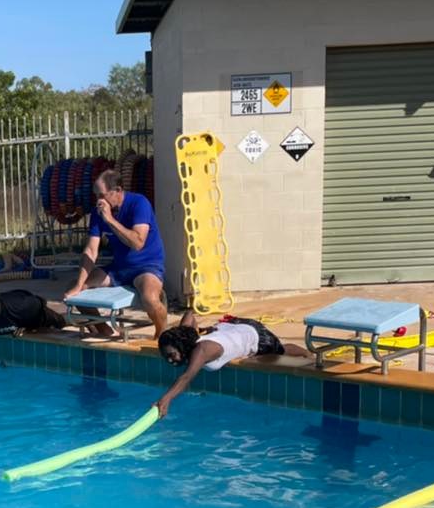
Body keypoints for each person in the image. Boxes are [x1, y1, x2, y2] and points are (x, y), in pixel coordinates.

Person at [69, 170, 168, 338]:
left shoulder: (139, 203)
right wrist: (79, 284)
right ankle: (105, 331)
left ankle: (162, 334)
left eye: (102, 195)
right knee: (76, 293)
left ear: (118, 191)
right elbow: (91, 250)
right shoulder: (98, 212)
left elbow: (137, 243)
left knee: (150, 299)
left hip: (146, 267)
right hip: (119, 268)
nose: (99, 201)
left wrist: (110, 220)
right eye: (96, 196)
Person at [154, 313, 310, 417]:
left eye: (171, 355)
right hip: (232, 326)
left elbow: (187, 376)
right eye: (166, 356)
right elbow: (189, 313)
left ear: (182, 347)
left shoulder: (202, 350)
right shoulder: (185, 337)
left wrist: (166, 399)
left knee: (280, 351)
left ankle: (308, 354)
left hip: (255, 335)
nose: (169, 360)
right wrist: (188, 328)